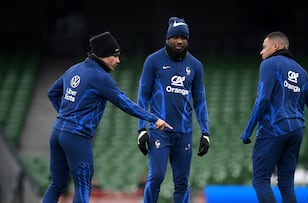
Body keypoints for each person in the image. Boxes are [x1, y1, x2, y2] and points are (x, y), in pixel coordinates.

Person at [42, 31, 172, 203]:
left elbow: (52, 93)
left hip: (57, 133)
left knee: (56, 185)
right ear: (103, 55)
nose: (118, 60)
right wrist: (153, 118)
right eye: (115, 56)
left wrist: (66, 116)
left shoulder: (74, 69)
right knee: (82, 187)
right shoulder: (101, 77)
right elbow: (125, 103)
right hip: (77, 137)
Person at [240, 31, 308, 203]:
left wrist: (247, 131)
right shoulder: (302, 73)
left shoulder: (269, 64)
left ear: (276, 46)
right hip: (296, 131)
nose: (261, 52)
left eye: (264, 47)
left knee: (260, 181)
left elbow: (263, 99)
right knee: (286, 184)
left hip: (274, 128)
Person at [136, 17, 210, 203]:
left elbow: (200, 101)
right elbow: (143, 96)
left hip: (184, 133)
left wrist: (205, 132)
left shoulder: (195, 65)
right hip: (159, 131)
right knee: (156, 177)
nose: (179, 41)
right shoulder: (153, 61)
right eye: (175, 37)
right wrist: (141, 128)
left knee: (182, 183)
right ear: (167, 38)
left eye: (183, 37)